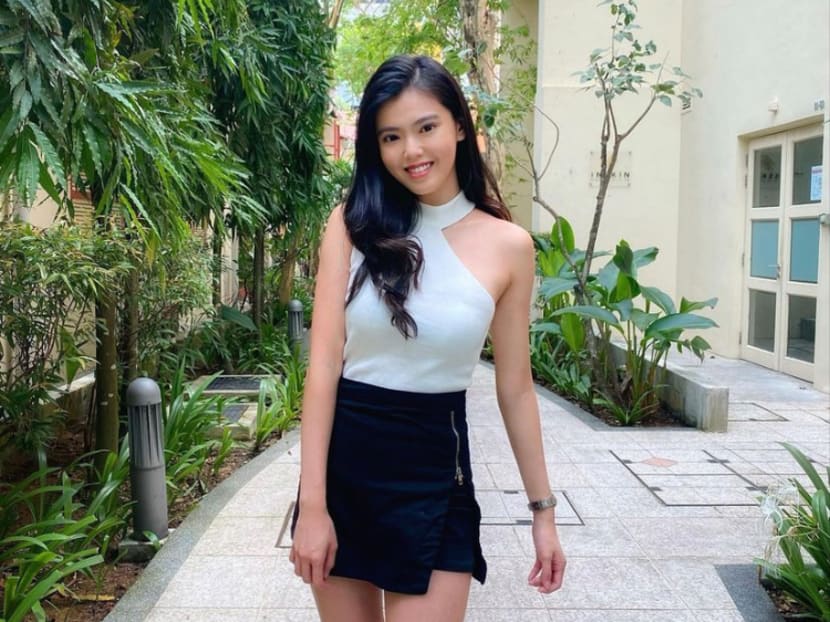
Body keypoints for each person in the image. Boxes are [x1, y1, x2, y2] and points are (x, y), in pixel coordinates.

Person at [289, 54, 566, 622]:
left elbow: (516, 388)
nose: (411, 151)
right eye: (391, 137)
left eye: (426, 128)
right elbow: (323, 368)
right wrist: (312, 506)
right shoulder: (351, 224)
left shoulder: (509, 246)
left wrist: (543, 512)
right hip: (346, 469)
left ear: (459, 126)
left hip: (436, 473)